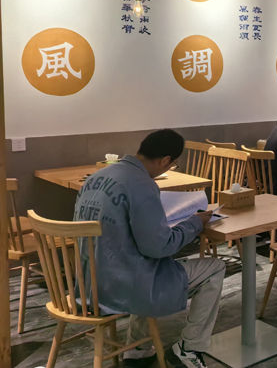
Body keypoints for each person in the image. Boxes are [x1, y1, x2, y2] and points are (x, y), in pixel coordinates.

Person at [74, 129, 224, 368]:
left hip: (88, 285)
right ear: (166, 160)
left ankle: (138, 349)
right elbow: (159, 247)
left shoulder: (96, 177)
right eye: (172, 164)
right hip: (122, 287)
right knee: (214, 268)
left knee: (143, 262)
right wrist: (194, 223)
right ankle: (190, 348)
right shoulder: (142, 184)